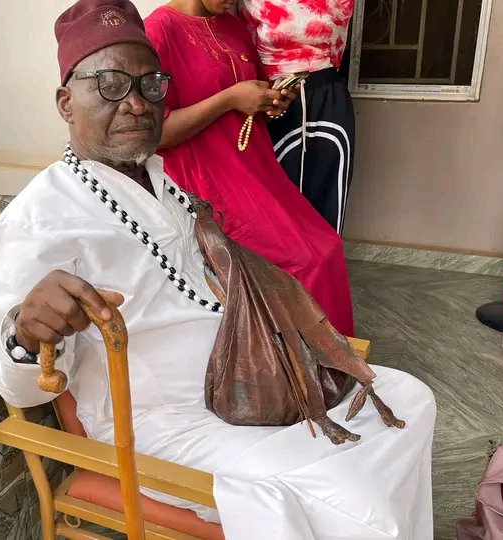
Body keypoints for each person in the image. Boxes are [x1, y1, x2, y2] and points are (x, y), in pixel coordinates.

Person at [0, 0, 436, 537]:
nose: (135, 104)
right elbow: (20, 388)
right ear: (66, 102)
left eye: (151, 86)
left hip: (248, 377)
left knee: (410, 398)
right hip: (165, 425)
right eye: (109, 85)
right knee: (353, 499)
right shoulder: (38, 217)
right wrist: (24, 336)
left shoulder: (165, 181)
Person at [143, 0, 355, 337]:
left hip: (253, 169)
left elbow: (251, 101)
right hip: (203, 179)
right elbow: (156, 133)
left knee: (326, 246)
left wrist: (271, 102)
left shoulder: (234, 28)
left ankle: (327, 360)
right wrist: (228, 99)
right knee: (304, 261)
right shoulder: (157, 32)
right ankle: (296, 361)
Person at [238, 0, 356, 234]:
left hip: (326, 94)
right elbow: (245, 44)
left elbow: (337, 47)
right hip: (271, 97)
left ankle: (324, 258)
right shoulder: (250, 3)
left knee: (326, 196)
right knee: (275, 201)